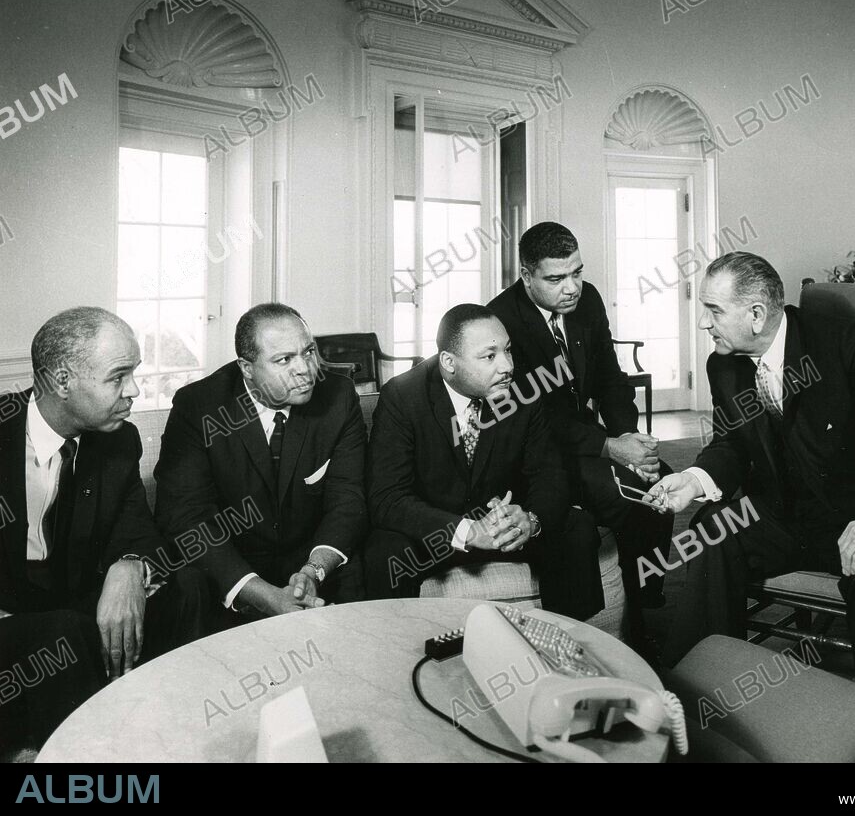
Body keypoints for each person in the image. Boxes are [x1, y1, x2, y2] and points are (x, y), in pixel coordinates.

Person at [646, 252, 855, 702]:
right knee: (711, 529)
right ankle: (697, 693)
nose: (705, 323)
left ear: (757, 314)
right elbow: (731, 443)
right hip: (789, 519)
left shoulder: (836, 341)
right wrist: (694, 478)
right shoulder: (723, 365)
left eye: (714, 310)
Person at [0, 307, 208, 755]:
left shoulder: (118, 439)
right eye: (118, 377)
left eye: (133, 373)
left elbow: (138, 529)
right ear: (62, 381)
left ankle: (166, 733)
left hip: (68, 598)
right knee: (63, 634)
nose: (133, 390)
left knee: (187, 584)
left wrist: (129, 566)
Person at [488, 221, 674, 645]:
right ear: (526, 275)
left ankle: (646, 599)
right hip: (537, 450)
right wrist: (610, 446)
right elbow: (532, 416)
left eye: (577, 272)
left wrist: (632, 440)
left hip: (588, 438)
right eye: (555, 278)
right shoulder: (501, 319)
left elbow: (610, 375)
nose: (571, 287)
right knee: (625, 500)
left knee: (661, 479)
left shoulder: (587, 301)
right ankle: (634, 630)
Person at [363, 304, 604, 621]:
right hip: (439, 533)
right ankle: (393, 658)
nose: (506, 366)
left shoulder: (522, 392)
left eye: (507, 350)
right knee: (384, 551)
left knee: (577, 526)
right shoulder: (404, 396)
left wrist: (530, 519)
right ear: (449, 363)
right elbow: (387, 497)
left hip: (503, 528)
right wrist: (467, 531)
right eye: (489, 356)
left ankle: (572, 647)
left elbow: (550, 475)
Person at [154, 303, 367, 625]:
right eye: (284, 360)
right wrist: (260, 593)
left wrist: (315, 569)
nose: (305, 369)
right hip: (232, 570)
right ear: (246, 367)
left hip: (309, 562)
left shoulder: (338, 395)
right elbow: (185, 516)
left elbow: (347, 498)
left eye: (309, 352)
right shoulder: (198, 406)